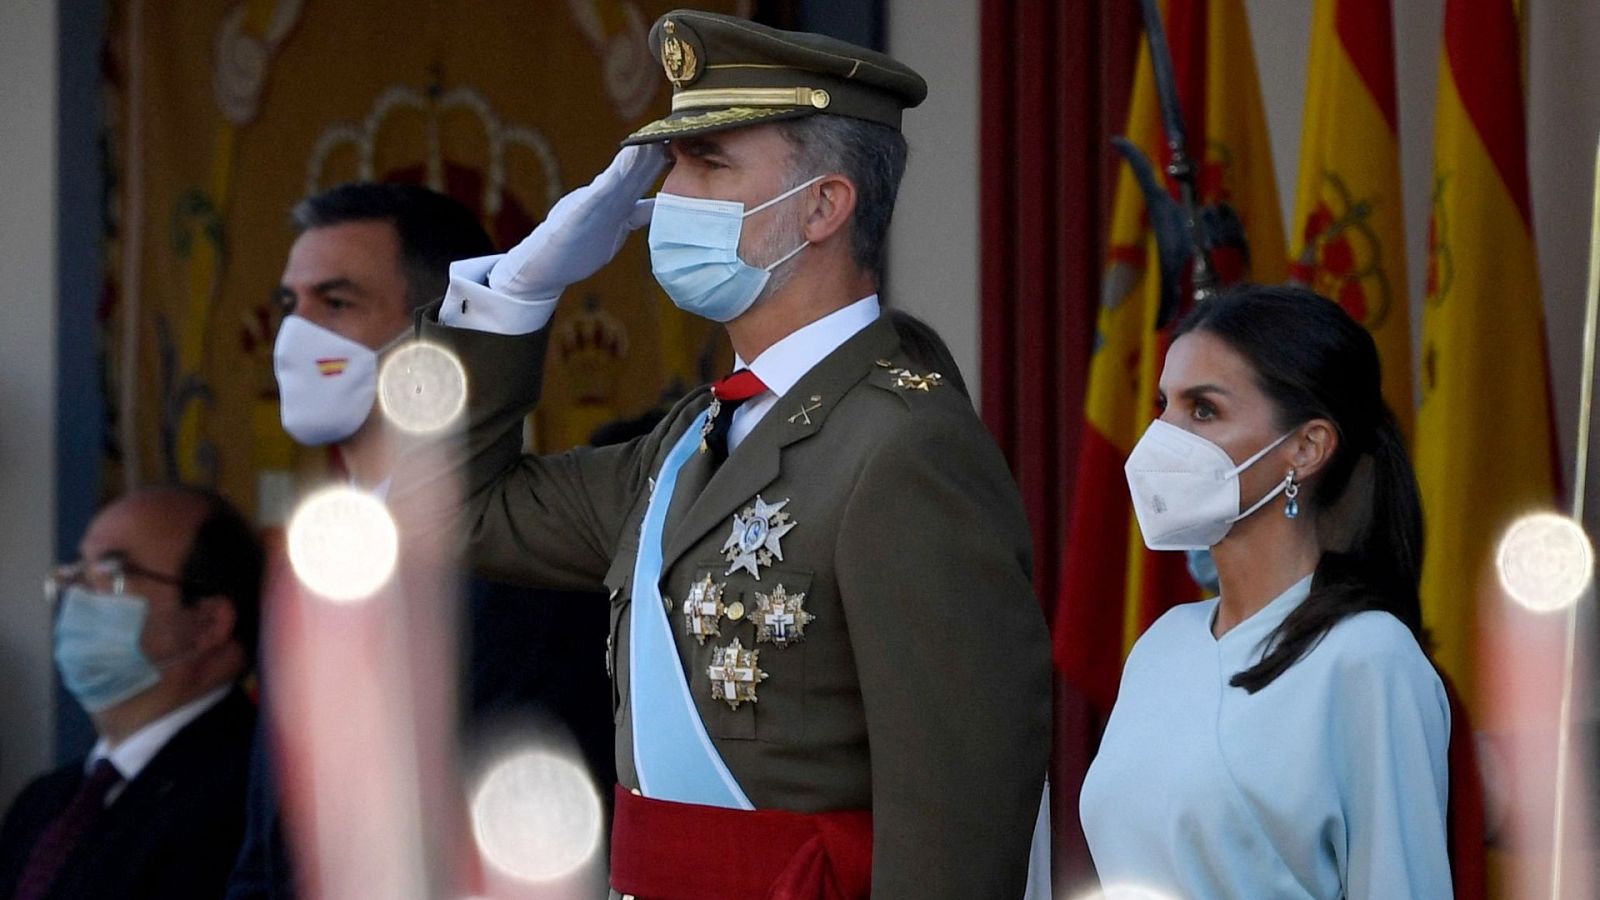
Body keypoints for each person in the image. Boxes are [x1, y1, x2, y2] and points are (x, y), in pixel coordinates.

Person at [405, 9, 1052, 898]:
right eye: (673, 163)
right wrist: (517, 290)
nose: (671, 196)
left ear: (823, 206)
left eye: (708, 164)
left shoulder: (906, 447)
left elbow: (958, 815)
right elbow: (448, 510)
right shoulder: (691, 437)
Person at [227, 183, 614, 899]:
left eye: (335, 303)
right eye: (290, 303)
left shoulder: (526, 564)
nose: (295, 335)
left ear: (433, 329)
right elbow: (269, 846)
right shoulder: (318, 562)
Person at [1079, 284, 1452, 897]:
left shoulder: (1369, 657)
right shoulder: (1161, 646)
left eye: (1203, 410)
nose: (1163, 437)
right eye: (1164, 405)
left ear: (1305, 448)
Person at [0, 487, 263, 900]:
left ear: (209, 622)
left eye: (113, 574)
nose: (79, 594)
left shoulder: (250, 801)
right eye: (76, 572)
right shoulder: (44, 802)